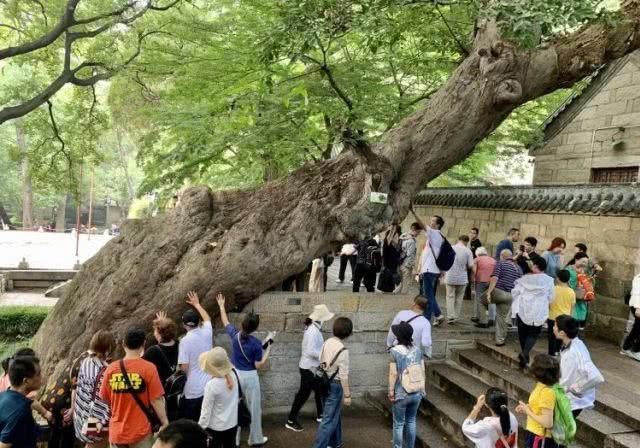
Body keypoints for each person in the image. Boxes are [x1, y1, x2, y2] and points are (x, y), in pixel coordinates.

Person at [99, 327, 169, 448]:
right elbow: (156, 399)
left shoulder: (111, 368)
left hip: (117, 433)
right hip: (140, 431)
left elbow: (104, 397)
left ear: (123, 344)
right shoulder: (149, 368)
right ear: (143, 344)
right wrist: (165, 422)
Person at [217, 293, 271, 447]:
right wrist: (268, 349)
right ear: (255, 328)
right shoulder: (255, 343)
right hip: (249, 377)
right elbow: (257, 365)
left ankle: (235, 439)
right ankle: (255, 438)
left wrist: (221, 305)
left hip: (235, 374)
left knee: (235, 406)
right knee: (254, 408)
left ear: (243, 324)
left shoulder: (235, 336)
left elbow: (225, 321)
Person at [286, 304, 335, 432]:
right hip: (309, 368)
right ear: (321, 319)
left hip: (311, 367)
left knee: (320, 389)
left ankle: (321, 415)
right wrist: (324, 355)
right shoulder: (313, 331)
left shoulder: (313, 328)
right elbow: (310, 351)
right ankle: (290, 420)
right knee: (303, 395)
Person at [313, 317, 353, 448]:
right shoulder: (343, 351)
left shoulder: (327, 342)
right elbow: (343, 376)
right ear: (348, 332)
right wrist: (347, 395)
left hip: (323, 382)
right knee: (328, 420)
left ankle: (335, 442)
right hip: (335, 386)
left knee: (333, 414)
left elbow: (321, 360)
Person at [554, 315, 604, 418]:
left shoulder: (574, 352)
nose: (553, 328)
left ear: (562, 333)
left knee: (562, 431)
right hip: (569, 398)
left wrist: (574, 388)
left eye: (555, 326)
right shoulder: (574, 343)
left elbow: (596, 377)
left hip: (572, 401)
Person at [73, 330, 116, 448]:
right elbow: (101, 401)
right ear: (108, 349)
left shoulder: (86, 361)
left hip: (81, 416)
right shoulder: (104, 372)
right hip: (93, 421)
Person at [512, 254, 555, 368]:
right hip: (539, 310)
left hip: (523, 308)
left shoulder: (524, 279)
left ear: (535, 266)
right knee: (533, 333)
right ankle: (525, 353)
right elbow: (551, 297)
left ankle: (524, 356)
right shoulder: (549, 280)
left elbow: (515, 292)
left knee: (523, 333)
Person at [178, 291, 213, 421]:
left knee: (191, 423)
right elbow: (207, 319)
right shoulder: (207, 332)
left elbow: (184, 367)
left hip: (193, 390)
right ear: (199, 322)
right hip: (208, 384)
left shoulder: (184, 341)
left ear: (184, 325)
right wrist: (197, 305)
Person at [388, 322, 425, 448]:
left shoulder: (394, 351)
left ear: (399, 336)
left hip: (401, 393)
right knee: (411, 420)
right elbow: (422, 370)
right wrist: (422, 389)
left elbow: (393, 374)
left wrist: (391, 391)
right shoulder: (418, 350)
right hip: (417, 392)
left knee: (398, 423)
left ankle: (397, 447)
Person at [410, 207, 446, 326]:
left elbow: (422, 225)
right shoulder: (437, 236)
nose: (431, 222)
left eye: (433, 221)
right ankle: (437, 314)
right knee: (429, 294)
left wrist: (414, 212)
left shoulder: (435, 233)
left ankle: (428, 318)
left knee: (428, 295)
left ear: (438, 225)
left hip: (429, 270)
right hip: (430, 269)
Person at [480, 249, 523, 348]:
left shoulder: (501, 264)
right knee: (502, 318)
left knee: (480, 300)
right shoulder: (519, 268)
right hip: (510, 295)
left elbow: (494, 278)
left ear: (502, 256)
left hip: (499, 292)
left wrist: (489, 292)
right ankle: (500, 340)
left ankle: (485, 320)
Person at [516, 354, 560, 448]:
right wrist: (527, 407)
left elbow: (548, 423)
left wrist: (528, 411)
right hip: (535, 433)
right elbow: (540, 406)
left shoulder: (547, 392)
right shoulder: (542, 386)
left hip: (540, 437)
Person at [198, 347, 239, 448]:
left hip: (215, 427)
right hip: (232, 423)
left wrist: (200, 429)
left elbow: (205, 413)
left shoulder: (211, 385)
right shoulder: (234, 374)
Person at [144, 312, 179, 421]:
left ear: (160, 334)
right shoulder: (179, 344)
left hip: (161, 394)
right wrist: (163, 324)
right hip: (176, 391)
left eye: (155, 331)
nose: (154, 333)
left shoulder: (152, 352)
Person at [0, 355, 42, 448]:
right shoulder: (21, 410)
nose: (41, 378)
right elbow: (3, 445)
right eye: (38, 374)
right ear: (26, 381)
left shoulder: (3, 395)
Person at [386, 295, 433, 359]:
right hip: (413, 355)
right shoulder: (426, 322)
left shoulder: (401, 313)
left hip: (398, 350)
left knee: (394, 367)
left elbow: (392, 332)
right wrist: (427, 355)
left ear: (414, 303)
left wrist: (389, 345)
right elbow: (426, 343)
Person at [444, 235, 474, 324]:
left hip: (450, 276)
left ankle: (450, 316)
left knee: (450, 297)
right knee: (459, 298)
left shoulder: (451, 248)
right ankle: (456, 316)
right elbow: (470, 265)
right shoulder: (468, 251)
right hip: (462, 277)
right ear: (466, 242)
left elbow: (445, 260)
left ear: (458, 240)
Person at [548, 270, 576, 356]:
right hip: (565, 319)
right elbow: (572, 306)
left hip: (553, 317)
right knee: (561, 337)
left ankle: (551, 353)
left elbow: (549, 303)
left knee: (552, 336)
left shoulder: (553, 289)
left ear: (558, 278)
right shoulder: (571, 291)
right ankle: (558, 351)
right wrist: (571, 317)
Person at [565, 253, 592, 329]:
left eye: (586, 263)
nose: (584, 264)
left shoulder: (583, 271)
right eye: (583, 262)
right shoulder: (568, 270)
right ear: (576, 259)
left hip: (580, 300)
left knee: (576, 324)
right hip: (570, 299)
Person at [395, 222, 423, 294]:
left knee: (401, 283)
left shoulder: (402, 236)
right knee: (406, 284)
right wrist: (413, 266)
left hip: (400, 263)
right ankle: (401, 299)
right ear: (414, 230)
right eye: (418, 232)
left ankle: (395, 295)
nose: (418, 234)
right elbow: (409, 254)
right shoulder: (412, 241)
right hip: (407, 265)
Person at [471, 247, 496, 324]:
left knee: (479, 299)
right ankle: (492, 318)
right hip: (492, 281)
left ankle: (479, 317)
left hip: (481, 280)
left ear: (477, 254)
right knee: (491, 299)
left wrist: (473, 280)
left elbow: (474, 271)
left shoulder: (477, 259)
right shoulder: (493, 260)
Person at [621, 273, 640, 361]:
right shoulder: (638, 278)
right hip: (637, 306)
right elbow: (636, 294)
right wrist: (638, 308)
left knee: (637, 327)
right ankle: (634, 350)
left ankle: (627, 348)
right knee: (637, 328)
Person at [378, 225, 402, 293]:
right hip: (388, 268)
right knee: (386, 287)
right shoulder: (387, 244)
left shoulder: (396, 246)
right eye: (396, 236)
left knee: (390, 288)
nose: (397, 237)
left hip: (392, 268)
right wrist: (393, 228)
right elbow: (389, 237)